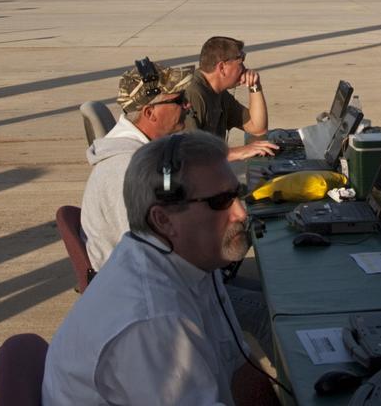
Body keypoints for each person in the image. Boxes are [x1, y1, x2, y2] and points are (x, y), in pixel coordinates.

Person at [43, 132, 277, 405]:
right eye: (219, 202)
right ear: (163, 219)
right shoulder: (153, 319)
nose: (241, 213)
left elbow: (239, 368)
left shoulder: (194, 260)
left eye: (237, 195)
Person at [81, 59, 194, 271]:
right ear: (150, 113)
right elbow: (147, 252)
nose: (187, 105)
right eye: (179, 100)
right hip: (144, 288)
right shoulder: (127, 171)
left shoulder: (142, 156)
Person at [185, 36, 277, 161]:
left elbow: (257, 128)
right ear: (222, 68)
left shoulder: (219, 93)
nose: (244, 69)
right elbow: (190, 152)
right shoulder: (193, 94)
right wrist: (239, 152)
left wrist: (255, 86)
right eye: (240, 64)